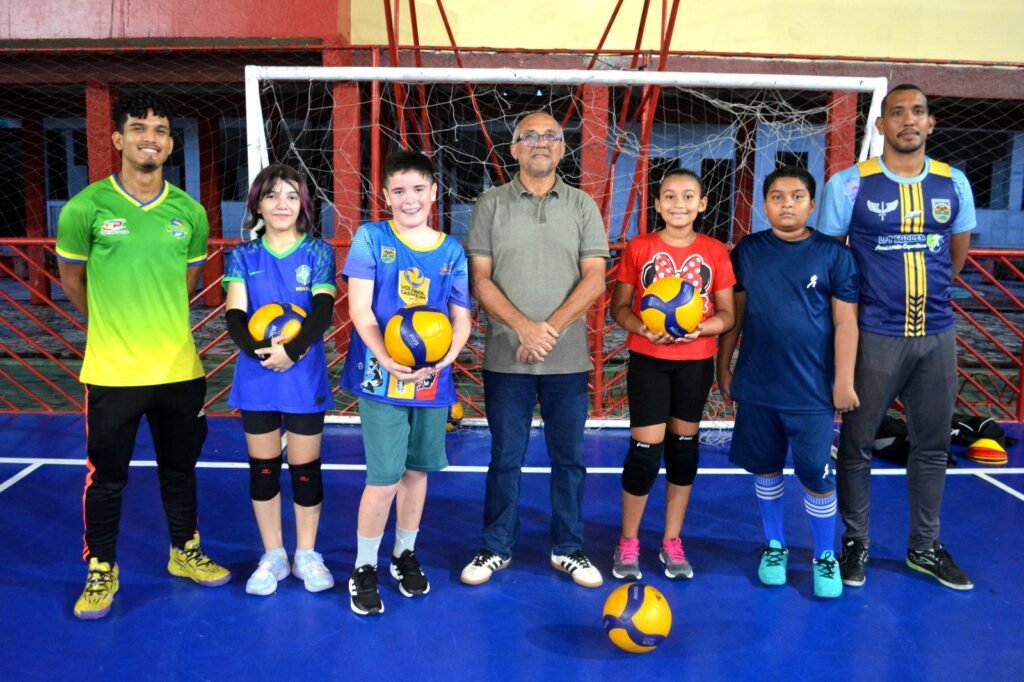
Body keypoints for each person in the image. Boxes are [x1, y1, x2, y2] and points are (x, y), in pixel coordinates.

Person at [57, 92, 229, 620]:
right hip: (113, 370)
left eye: (159, 130)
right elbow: (72, 281)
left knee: (180, 470)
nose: (149, 138)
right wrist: (116, 322)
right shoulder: (86, 208)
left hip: (179, 369)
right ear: (118, 138)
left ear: (170, 144)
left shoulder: (189, 213)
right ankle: (101, 568)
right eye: (138, 128)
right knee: (107, 479)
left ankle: (184, 550)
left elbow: (186, 284)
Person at [818, 84, 976, 590]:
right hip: (873, 336)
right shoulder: (849, 184)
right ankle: (855, 542)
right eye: (898, 112)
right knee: (857, 444)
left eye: (919, 112)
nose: (909, 120)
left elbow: (954, 259)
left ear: (931, 124)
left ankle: (924, 547)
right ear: (880, 124)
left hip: (937, 336)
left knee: (931, 446)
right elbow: (830, 261)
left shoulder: (955, 183)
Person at [461, 111, 609, 589]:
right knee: (506, 458)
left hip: (567, 360)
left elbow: (595, 279)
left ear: (563, 148)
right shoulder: (490, 204)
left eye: (550, 136)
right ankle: (496, 547)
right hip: (507, 358)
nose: (540, 142)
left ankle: (569, 549)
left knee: (570, 460)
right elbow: (481, 280)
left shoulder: (583, 205)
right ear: (514, 148)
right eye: (529, 136)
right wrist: (524, 329)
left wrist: (547, 331)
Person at [717, 166, 859, 599]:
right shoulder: (749, 250)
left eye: (797, 196)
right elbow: (735, 315)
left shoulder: (834, 255)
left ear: (812, 205)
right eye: (777, 197)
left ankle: (824, 555)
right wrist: (724, 365)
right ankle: (775, 545)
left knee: (816, 475)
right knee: (766, 468)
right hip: (759, 385)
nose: (787, 204)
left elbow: (845, 321)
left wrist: (844, 380)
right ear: (764, 205)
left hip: (812, 391)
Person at [340, 150, 472, 615]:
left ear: (434, 192)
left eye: (418, 189)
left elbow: (460, 317)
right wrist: (385, 356)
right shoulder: (371, 238)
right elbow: (359, 309)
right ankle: (363, 566)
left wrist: (448, 357)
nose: (409, 198)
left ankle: (403, 554)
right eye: (399, 190)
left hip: (431, 380)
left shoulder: (452, 251)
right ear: (386, 195)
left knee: (417, 472)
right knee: (384, 477)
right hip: (382, 376)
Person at [609, 168, 735, 582]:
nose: (678, 203)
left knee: (683, 452)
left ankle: (671, 540)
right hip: (649, 360)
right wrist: (642, 328)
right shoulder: (640, 247)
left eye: (687, 196)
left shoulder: (715, 251)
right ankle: (628, 542)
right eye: (669, 196)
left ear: (702, 204)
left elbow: (728, 315)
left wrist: (701, 328)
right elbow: (619, 308)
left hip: (695, 362)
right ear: (658, 204)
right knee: (644, 454)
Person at [223, 163, 337, 596]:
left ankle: (306, 553)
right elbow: (236, 315)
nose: (281, 204)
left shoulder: (318, 252)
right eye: (271, 195)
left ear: (303, 204)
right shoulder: (244, 255)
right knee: (264, 469)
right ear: (258, 205)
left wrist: (292, 350)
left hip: (302, 373)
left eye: (291, 195)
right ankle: (273, 554)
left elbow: (322, 311)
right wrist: (262, 353)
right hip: (258, 374)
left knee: (306, 469)